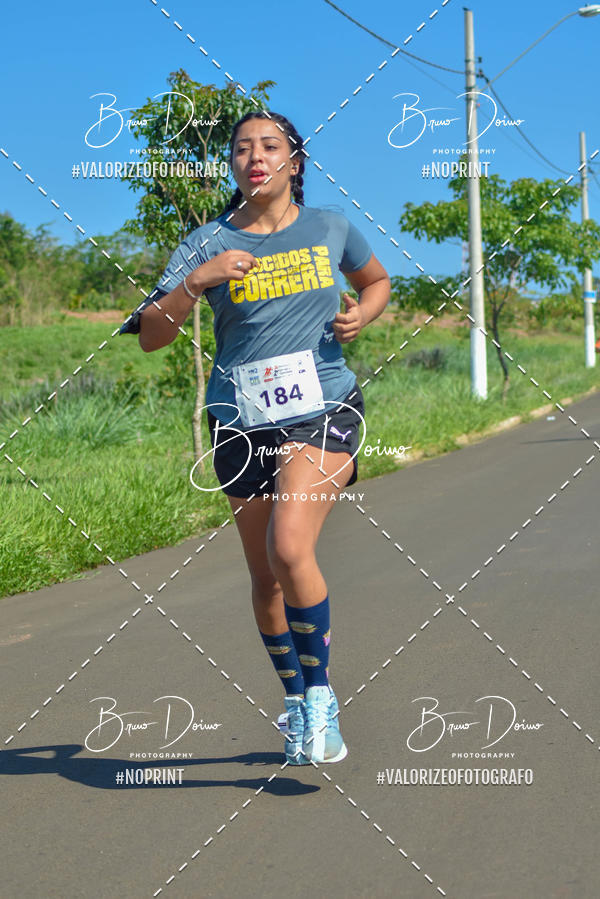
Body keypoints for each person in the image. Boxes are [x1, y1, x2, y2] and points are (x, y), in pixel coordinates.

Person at [120, 110, 391, 765]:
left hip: (322, 407)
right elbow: (151, 334)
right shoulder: (204, 242)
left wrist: (363, 313)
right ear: (232, 166)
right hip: (239, 420)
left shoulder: (331, 226)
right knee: (266, 577)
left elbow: (376, 281)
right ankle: (297, 700)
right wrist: (196, 282)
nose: (254, 157)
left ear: (295, 161)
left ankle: (321, 697)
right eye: (241, 149)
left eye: (270, 146)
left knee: (290, 547)